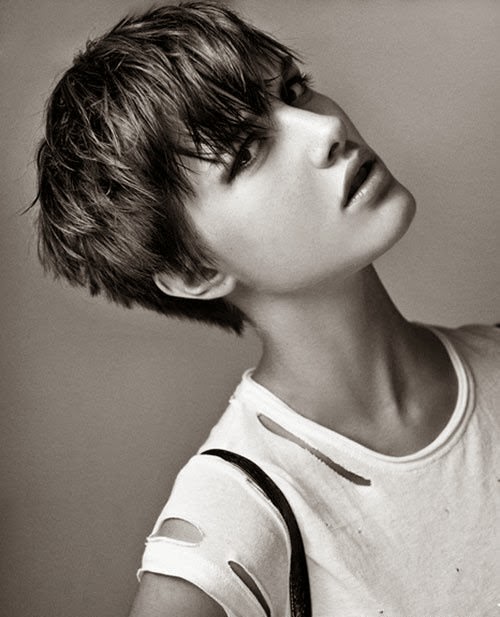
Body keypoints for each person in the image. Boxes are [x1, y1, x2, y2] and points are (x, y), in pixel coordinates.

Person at [31, 2, 499, 616]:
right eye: (248, 152)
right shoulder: (234, 518)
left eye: (295, 90)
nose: (324, 129)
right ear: (195, 272)